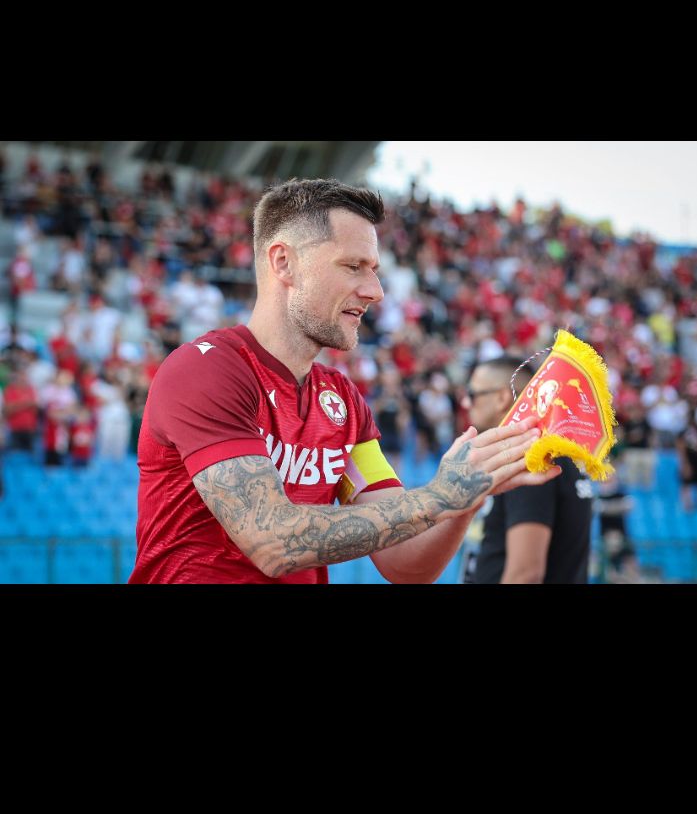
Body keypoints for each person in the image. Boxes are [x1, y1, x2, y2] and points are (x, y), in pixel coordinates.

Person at [129, 179, 560, 585]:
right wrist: (440, 496)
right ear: (284, 263)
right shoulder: (205, 370)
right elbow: (271, 540)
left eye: (373, 269)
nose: (375, 290)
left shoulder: (341, 399)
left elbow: (405, 562)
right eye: (354, 266)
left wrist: (467, 496)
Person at [461, 355, 593, 585]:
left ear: (502, 398)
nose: (465, 403)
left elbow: (526, 574)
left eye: (472, 394)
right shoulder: (552, 451)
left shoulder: (531, 458)